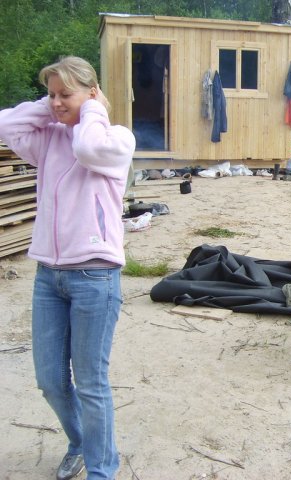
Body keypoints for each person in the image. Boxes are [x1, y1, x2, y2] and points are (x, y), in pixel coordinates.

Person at [0, 56, 135, 479]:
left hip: (95, 277)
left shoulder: (117, 138)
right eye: (51, 94)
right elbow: (7, 127)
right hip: (49, 277)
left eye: (65, 94)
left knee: (92, 385)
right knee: (51, 382)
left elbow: (88, 147)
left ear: (92, 93)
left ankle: (102, 469)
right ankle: (79, 442)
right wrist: (52, 106)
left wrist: (91, 109)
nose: (56, 103)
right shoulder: (50, 139)